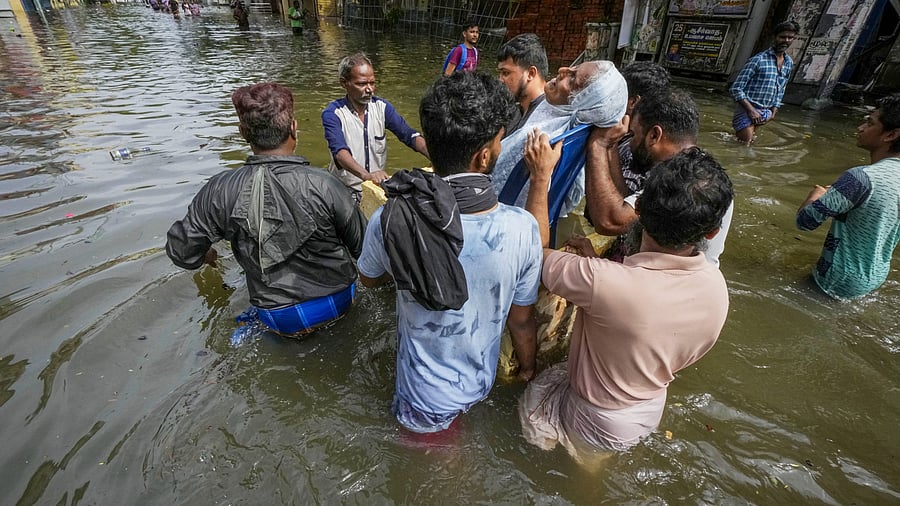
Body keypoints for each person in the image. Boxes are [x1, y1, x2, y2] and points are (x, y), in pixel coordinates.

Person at [519, 136, 732, 462]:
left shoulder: (602, 282)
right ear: (711, 233)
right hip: (646, 409)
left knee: (546, 432)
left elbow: (533, 254)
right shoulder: (717, 289)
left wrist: (540, 178)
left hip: (594, 418)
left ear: (639, 208)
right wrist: (599, 269)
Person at [356, 72, 542, 434]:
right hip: (480, 383)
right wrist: (529, 369)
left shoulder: (391, 217)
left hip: (422, 398)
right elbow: (521, 321)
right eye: (500, 142)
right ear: (484, 156)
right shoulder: (523, 228)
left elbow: (369, 278)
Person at [166, 83, 366, 339]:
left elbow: (182, 251)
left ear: (242, 132)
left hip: (276, 316)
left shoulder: (220, 189)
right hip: (336, 304)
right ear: (293, 127)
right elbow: (365, 250)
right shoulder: (326, 184)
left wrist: (206, 253)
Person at [585, 88, 733, 265]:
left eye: (633, 134)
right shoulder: (696, 168)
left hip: (672, 286)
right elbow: (625, 202)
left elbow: (610, 222)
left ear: (654, 135)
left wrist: (598, 144)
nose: (630, 142)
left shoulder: (687, 181)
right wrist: (612, 145)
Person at [796, 93, 900, 299]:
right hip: (876, 275)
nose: (860, 128)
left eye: (869, 123)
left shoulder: (860, 179)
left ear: (891, 135)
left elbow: (805, 221)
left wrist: (815, 195)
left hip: (837, 278)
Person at [491, 61, 628, 214]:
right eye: (573, 67)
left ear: (583, 104)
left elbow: (495, 185)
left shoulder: (542, 140)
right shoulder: (570, 131)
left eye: (572, 79)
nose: (563, 69)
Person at [322, 53, 430, 204]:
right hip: (343, 191)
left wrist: (434, 156)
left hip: (374, 189)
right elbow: (340, 153)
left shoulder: (382, 107)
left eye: (372, 83)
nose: (369, 89)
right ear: (344, 83)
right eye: (362, 84)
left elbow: (409, 135)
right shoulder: (333, 113)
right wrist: (367, 176)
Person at [729, 20, 799, 143]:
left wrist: (773, 112)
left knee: (746, 143)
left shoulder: (788, 63)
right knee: (744, 147)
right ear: (775, 37)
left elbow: (781, 89)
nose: (786, 40)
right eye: (782, 37)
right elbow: (736, 88)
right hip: (747, 110)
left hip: (765, 112)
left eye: (790, 37)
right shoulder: (758, 60)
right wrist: (751, 111)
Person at [497, 33, 548, 138]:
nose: (500, 80)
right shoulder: (517, 109)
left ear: (530, 74)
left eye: (506, 73)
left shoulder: (545, 121)